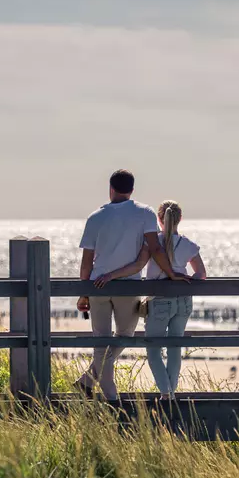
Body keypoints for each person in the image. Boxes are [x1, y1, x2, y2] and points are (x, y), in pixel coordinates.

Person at [75, 171, 187, 401]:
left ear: (110, 188)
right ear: (132, 190)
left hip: (97, 285)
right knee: (124, 335)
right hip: (128, 286)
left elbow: (87, 262)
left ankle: (89, 381)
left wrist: (83, 293)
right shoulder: (144, 213)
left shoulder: (95, 217)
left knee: (102, 340)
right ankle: (111, 399)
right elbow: (155, 249)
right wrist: (172, 274)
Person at [95, 200, 206, 399]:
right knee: (175, 348)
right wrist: (185, 284)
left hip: (160, 301)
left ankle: (166, 393)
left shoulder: (153, 243)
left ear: (159, 219)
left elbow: (137, 266)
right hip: (184, 302)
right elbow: (201, 274)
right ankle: (169, 394)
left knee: (153, 349)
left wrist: (111, 275)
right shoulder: (188, 244)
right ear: (180, 219)